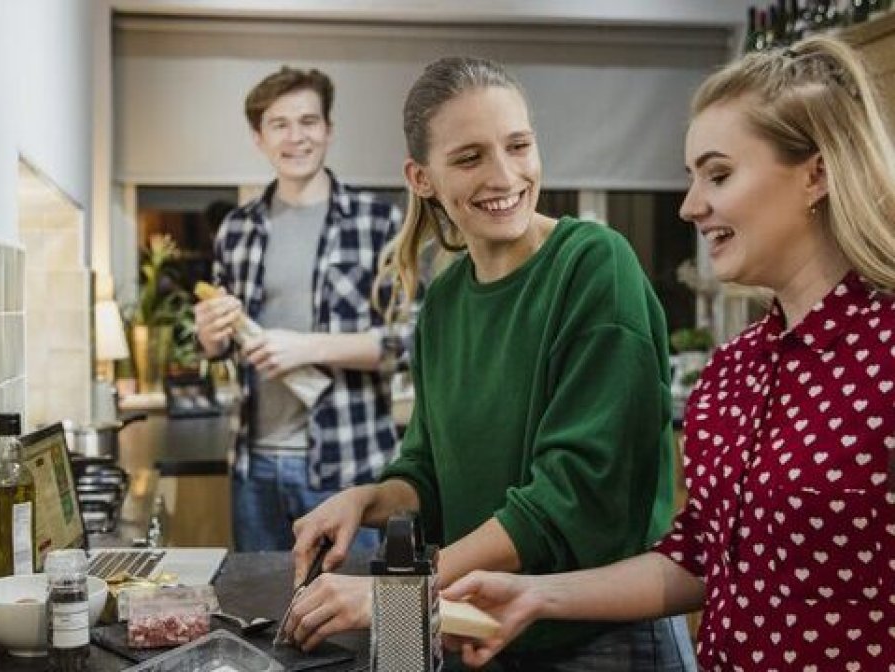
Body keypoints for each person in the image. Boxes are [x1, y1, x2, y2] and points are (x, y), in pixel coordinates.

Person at [438, 35, 895, 671]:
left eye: (720, 174)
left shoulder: (885, 354)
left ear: (816, 172)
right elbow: (696, 560)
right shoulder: (732, 373)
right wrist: (534, 595)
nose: (691, 205)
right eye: (691, 177)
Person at [283, 57, 696, 670]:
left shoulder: (594, 266)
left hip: (599, 641)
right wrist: (365, 500)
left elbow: (570, 499)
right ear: (421, 178)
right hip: (486, 632)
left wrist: (400, 595)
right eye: (470, 157)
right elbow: (427, 472)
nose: (505, 175)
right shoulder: (446, 303)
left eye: (519, 145)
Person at [194, 66, 412, 553]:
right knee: (263, 620)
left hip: (349, 466)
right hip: (255, 469)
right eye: (280, 124)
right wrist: (210, 336)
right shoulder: (236, 229)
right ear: (259, 137)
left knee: (356, 619)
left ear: (329, 130)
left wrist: (306, 347)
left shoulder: (378, 222)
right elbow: (221, 347)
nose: (296, 137)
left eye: (309, 121)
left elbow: (411, 341)